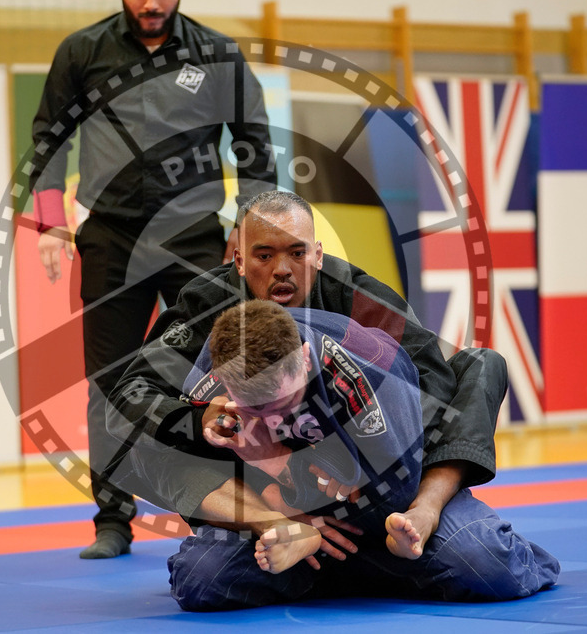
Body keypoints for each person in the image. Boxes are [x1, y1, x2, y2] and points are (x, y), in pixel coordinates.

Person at [105, 191, 510, 585]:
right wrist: (201, 419)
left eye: (297, 254)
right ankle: (300, 540)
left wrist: (349, 457)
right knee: (203, 576)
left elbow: (431, 380)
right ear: (240, 262)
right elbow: (130, 395)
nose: (282, 269)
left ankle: (427, 509)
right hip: (273, 508)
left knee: (483, 558)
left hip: (382, 498)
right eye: (265, 256)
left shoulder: (356, 296)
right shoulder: (207, 305)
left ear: (317, 255)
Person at [29, 0, 277, 558]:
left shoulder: (217, 53)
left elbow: (253, 145)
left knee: (224, 371)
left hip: (194, 235)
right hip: (110, 237)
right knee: (110, 382)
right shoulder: (81, 51)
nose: (151, 3)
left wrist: (250, 232)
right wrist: (51, 225)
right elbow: (48, 141)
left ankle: (229, 507)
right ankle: (113, 520)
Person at [163, 299, 558, 609]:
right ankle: (350, 570)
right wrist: (277, 518)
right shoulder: (211, 377)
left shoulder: (363, 366)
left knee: (483, 560)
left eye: (280, 403)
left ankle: (360, 569)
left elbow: (396, 493)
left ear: (304, 358)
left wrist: (279, 463)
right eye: (254, 408)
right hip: (292, 536)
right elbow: (181, 476)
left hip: (385, 521)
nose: (270, 418)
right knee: (200, 577)